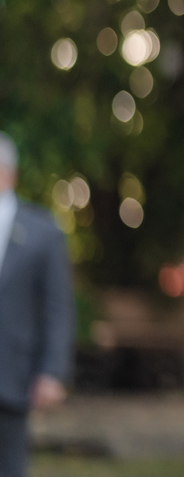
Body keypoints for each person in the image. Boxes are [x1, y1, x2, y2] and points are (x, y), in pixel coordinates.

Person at [0, 133, 74, 477]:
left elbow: (58, 307)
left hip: (12, 376)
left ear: (8, 173)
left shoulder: (43, 231)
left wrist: (51, 371)